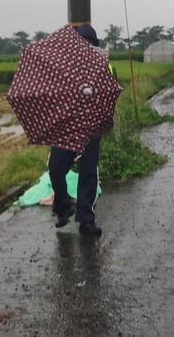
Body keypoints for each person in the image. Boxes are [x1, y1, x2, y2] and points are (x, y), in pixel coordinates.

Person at [48, 24, 106, 237]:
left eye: (88, 44)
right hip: (66, 126)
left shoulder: (102, 65)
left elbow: (109, 93)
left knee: (88, 173)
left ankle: (86, 221)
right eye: (81, 43)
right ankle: (63, 206)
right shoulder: (62, 66)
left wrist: (93, 93)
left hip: (91, 125)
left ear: (93, 46)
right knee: (55, 168)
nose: (84, 47)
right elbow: (51, 94)